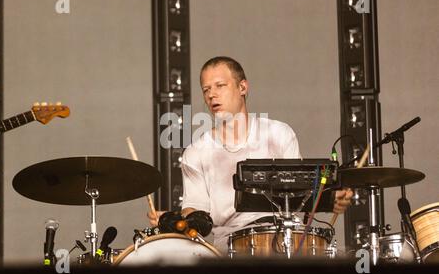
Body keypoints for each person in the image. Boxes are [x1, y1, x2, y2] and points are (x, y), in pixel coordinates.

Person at [148, 56, 352, 252]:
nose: (211, 95)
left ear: (243, 87)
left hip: (285, 237)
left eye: (220, 86)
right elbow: (196, 211)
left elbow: (299, 193)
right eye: (206, 89)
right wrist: (179, 221)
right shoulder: (196, 151)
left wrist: (328, 199)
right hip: (230, 246)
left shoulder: (278, 134)